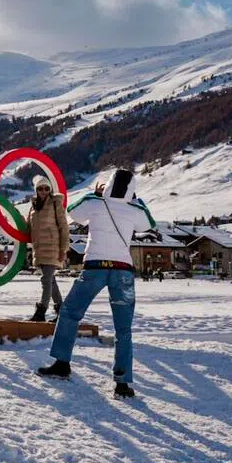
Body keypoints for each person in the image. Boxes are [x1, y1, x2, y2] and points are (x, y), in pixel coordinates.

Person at [37, 167, 156, 399]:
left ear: (108, 185)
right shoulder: (134, 209)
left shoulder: (95, 203)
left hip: (95, 267)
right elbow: (148, 224)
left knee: (70, 313)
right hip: (122, 271)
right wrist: (135, 199)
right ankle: (122, 383)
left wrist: (96, 193)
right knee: (123, 329)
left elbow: (72, 212)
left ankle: (62, 363)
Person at [26, 175, 70, 322]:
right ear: (36, 190)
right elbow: (28, 227)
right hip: (39, 249)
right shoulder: (33, 207)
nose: (43, 191)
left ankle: (41, 311)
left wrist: (63, 249)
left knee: (46, 279)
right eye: (40, 188)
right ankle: (61, 311)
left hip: (52, 247)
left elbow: (63, 226)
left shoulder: (55, 203)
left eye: (46, 188)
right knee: (50, 281)